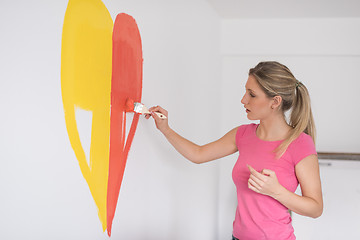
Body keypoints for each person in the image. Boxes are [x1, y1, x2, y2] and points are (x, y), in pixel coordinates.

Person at [145, 61, 323, 240]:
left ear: (275, 102)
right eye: (246, 91)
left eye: (252, 94)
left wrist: (276, 191)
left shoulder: (300, 143)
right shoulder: (243, 134)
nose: (243, 99)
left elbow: (315, 208)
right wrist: (165, 128)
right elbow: (198, 154)